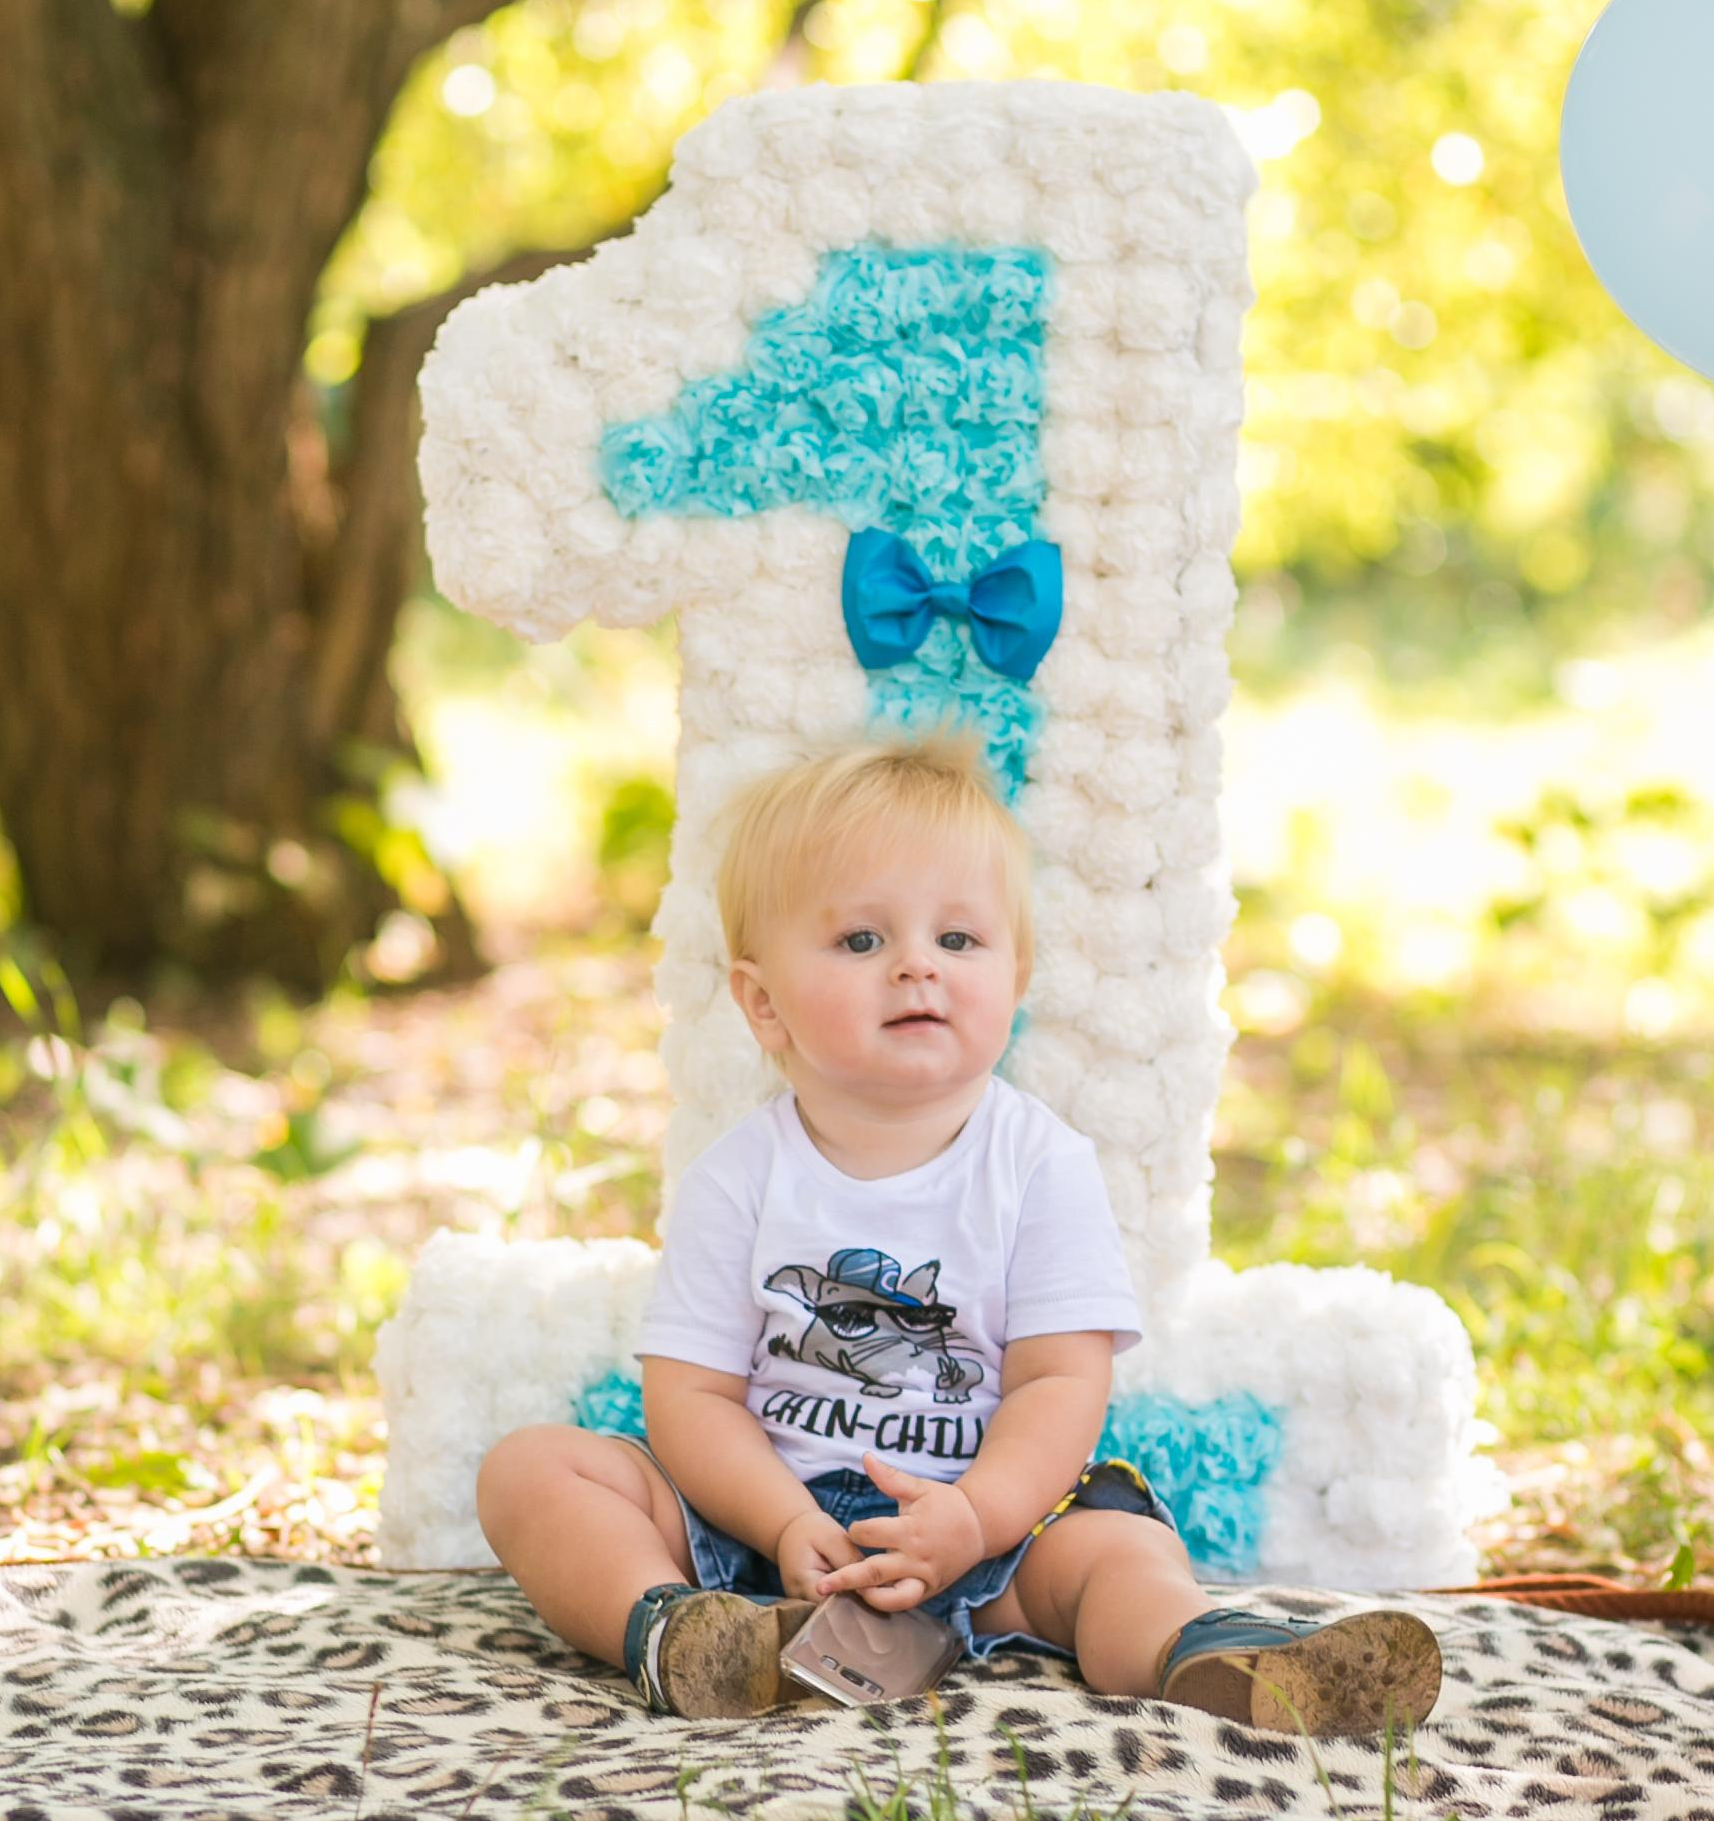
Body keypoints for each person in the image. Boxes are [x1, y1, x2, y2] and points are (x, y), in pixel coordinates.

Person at [477, 733, 1442, 1733]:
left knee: (1120, 1549)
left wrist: (974, 1517)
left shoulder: (1040, 1166)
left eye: (958, 940)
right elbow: (693, 1396)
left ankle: (1207, 1656)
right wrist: (784, 1521)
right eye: (861, 940)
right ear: (763, 1003)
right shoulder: (741, 1175)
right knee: (533, 1469)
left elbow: (1059, 1382)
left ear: (1016, 976)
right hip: (756, 1544)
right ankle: (681, 1631)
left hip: (991, 1539)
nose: (915, 968)